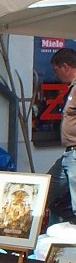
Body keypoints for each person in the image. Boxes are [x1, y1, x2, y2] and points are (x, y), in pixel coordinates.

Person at [51, 46, 76, 214]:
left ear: (65, 67)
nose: (55, 75)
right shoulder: (72, 88)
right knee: (47, 190)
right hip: (69, 153)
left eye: (56, 70)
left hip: (75, 153)